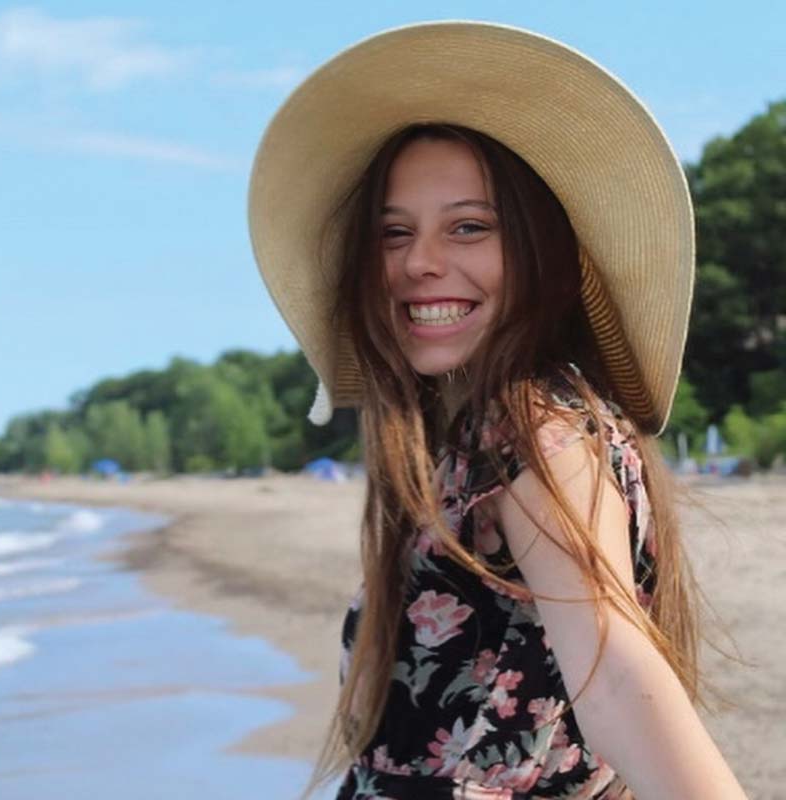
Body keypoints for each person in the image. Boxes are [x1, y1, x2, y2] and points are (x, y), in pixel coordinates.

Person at [248, 21, 748, 800]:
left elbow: (616, 681)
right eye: (394, 233)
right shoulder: (467, 437)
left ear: (541, 250)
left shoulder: (532, 428)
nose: (420, 262)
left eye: (470, 227)